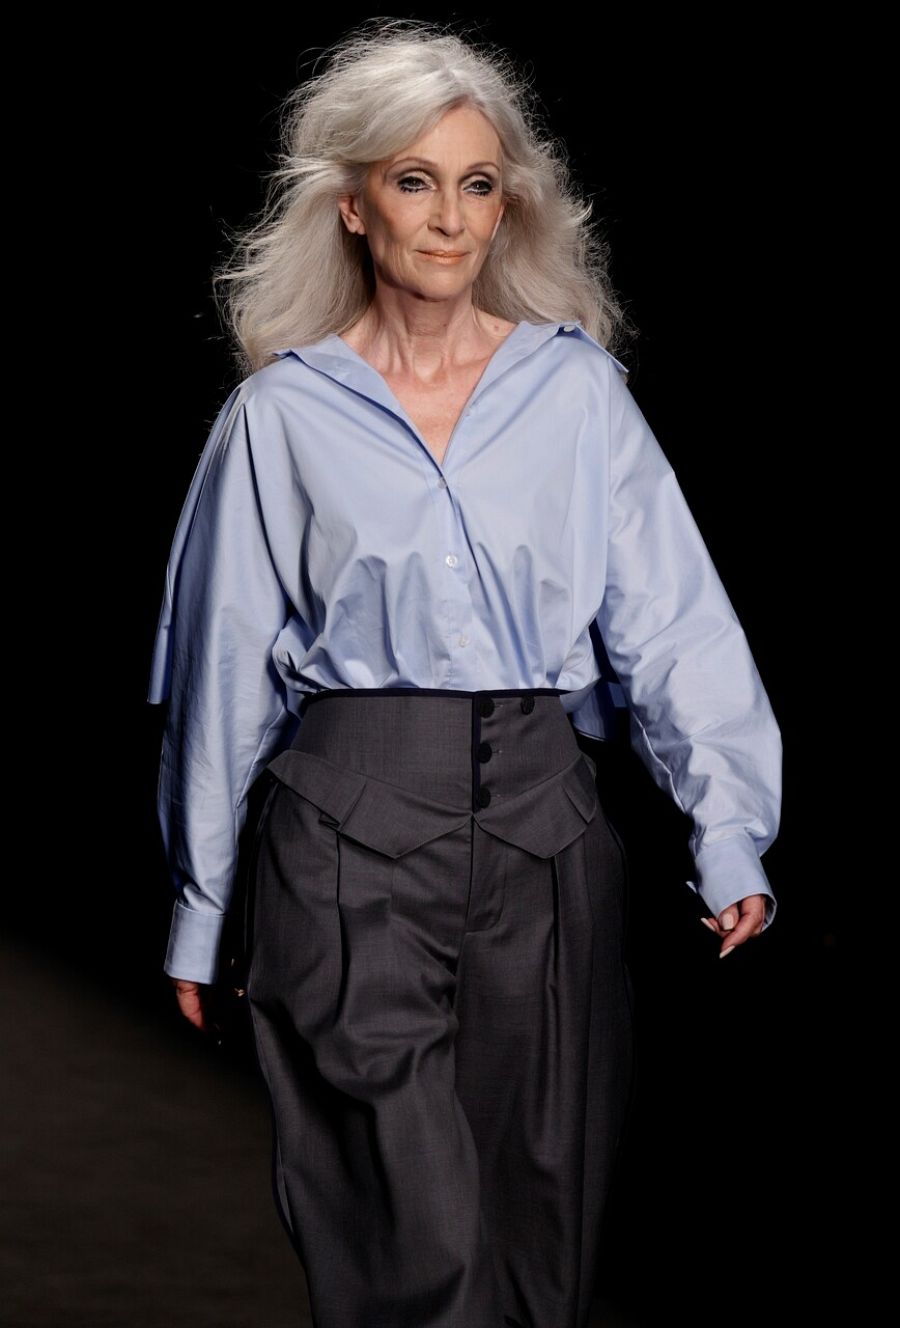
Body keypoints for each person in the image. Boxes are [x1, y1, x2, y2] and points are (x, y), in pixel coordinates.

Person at [146, 17, 782, 1328]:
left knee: (540, 1252)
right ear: (354, 206)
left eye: (477, 184)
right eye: (414, 180)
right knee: (411, 1250)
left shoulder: (577, 393)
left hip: (551, 843)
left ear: (507, 208)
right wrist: (204, 905)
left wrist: (728, 828)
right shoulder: (280, 415)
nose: (448, 218)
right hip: (346, 846)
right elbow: (225, 676)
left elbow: (673, 624)